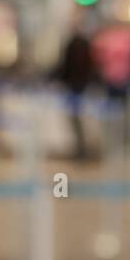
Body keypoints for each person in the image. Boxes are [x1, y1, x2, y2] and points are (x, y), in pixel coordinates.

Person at [54, 18, 98, 159]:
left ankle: (82, 150)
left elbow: (66, 66)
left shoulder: (76, 44)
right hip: (80, 86)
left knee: (78, 120)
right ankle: (81, 149)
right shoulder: (84, 44)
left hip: (77, 87)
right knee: (77, 120)